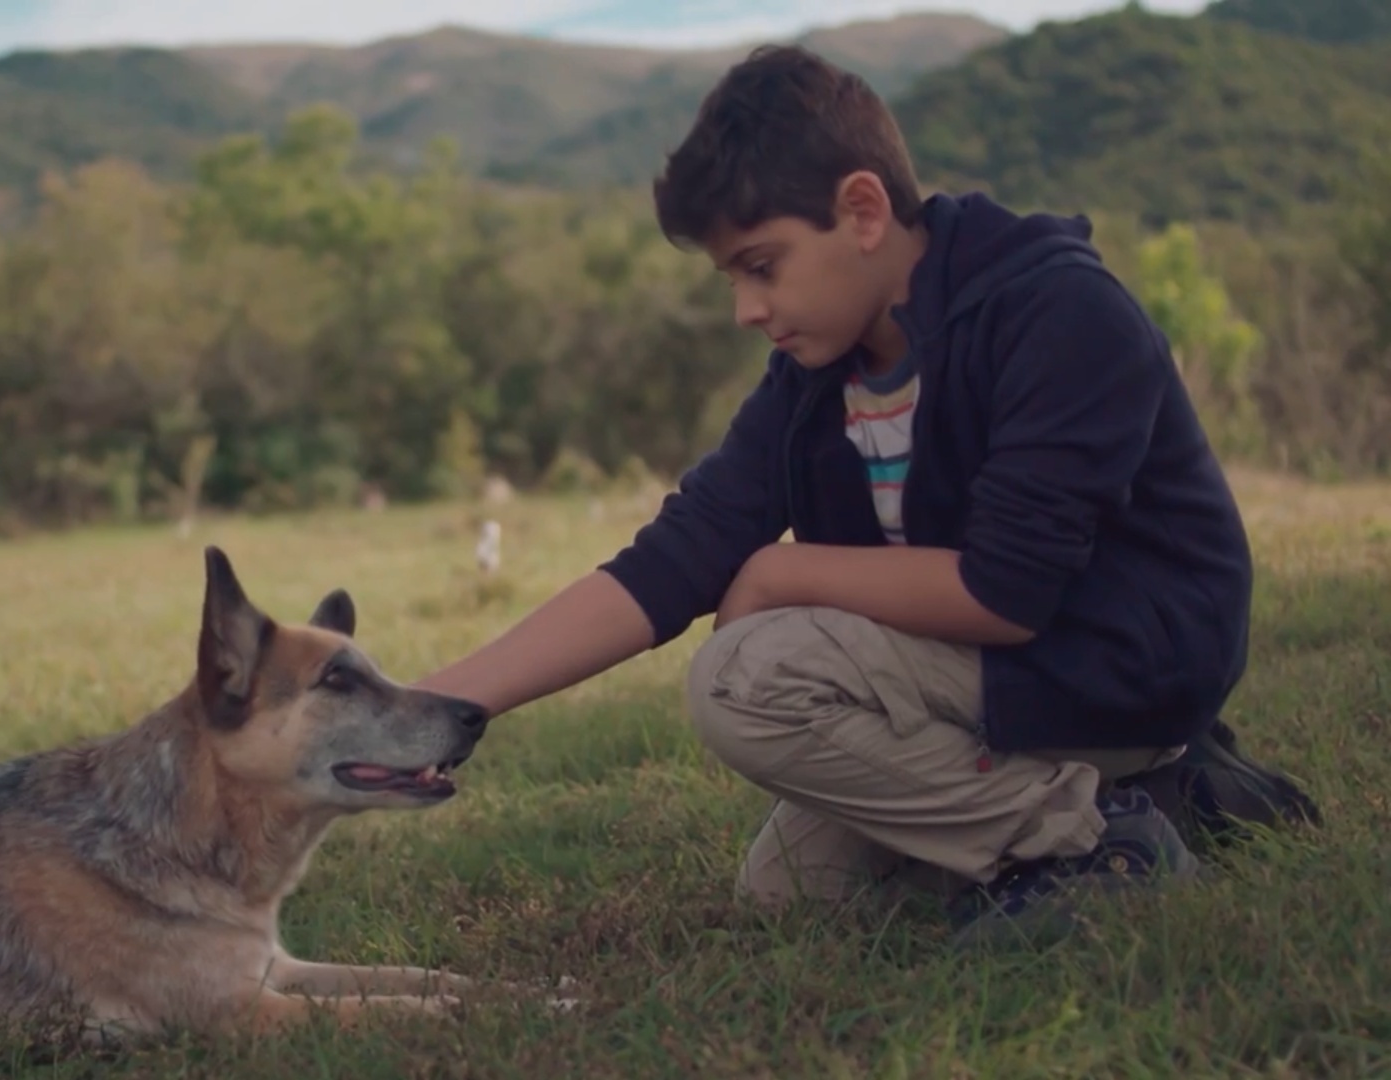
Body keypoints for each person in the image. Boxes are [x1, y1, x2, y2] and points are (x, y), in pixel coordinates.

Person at [412, 43, 1254, 946]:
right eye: (732, 277)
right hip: (997, 678)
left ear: (860, 210)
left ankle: (1086, 841)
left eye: (761, 266)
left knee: (747, 680)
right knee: (795, 891)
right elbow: (670, 563)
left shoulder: (1056, 312)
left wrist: (783, 574)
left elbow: (1006, 594)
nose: (746, 308)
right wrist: (426, 709)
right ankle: (1164, 792)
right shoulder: (816, 374)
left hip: (1117, 660)